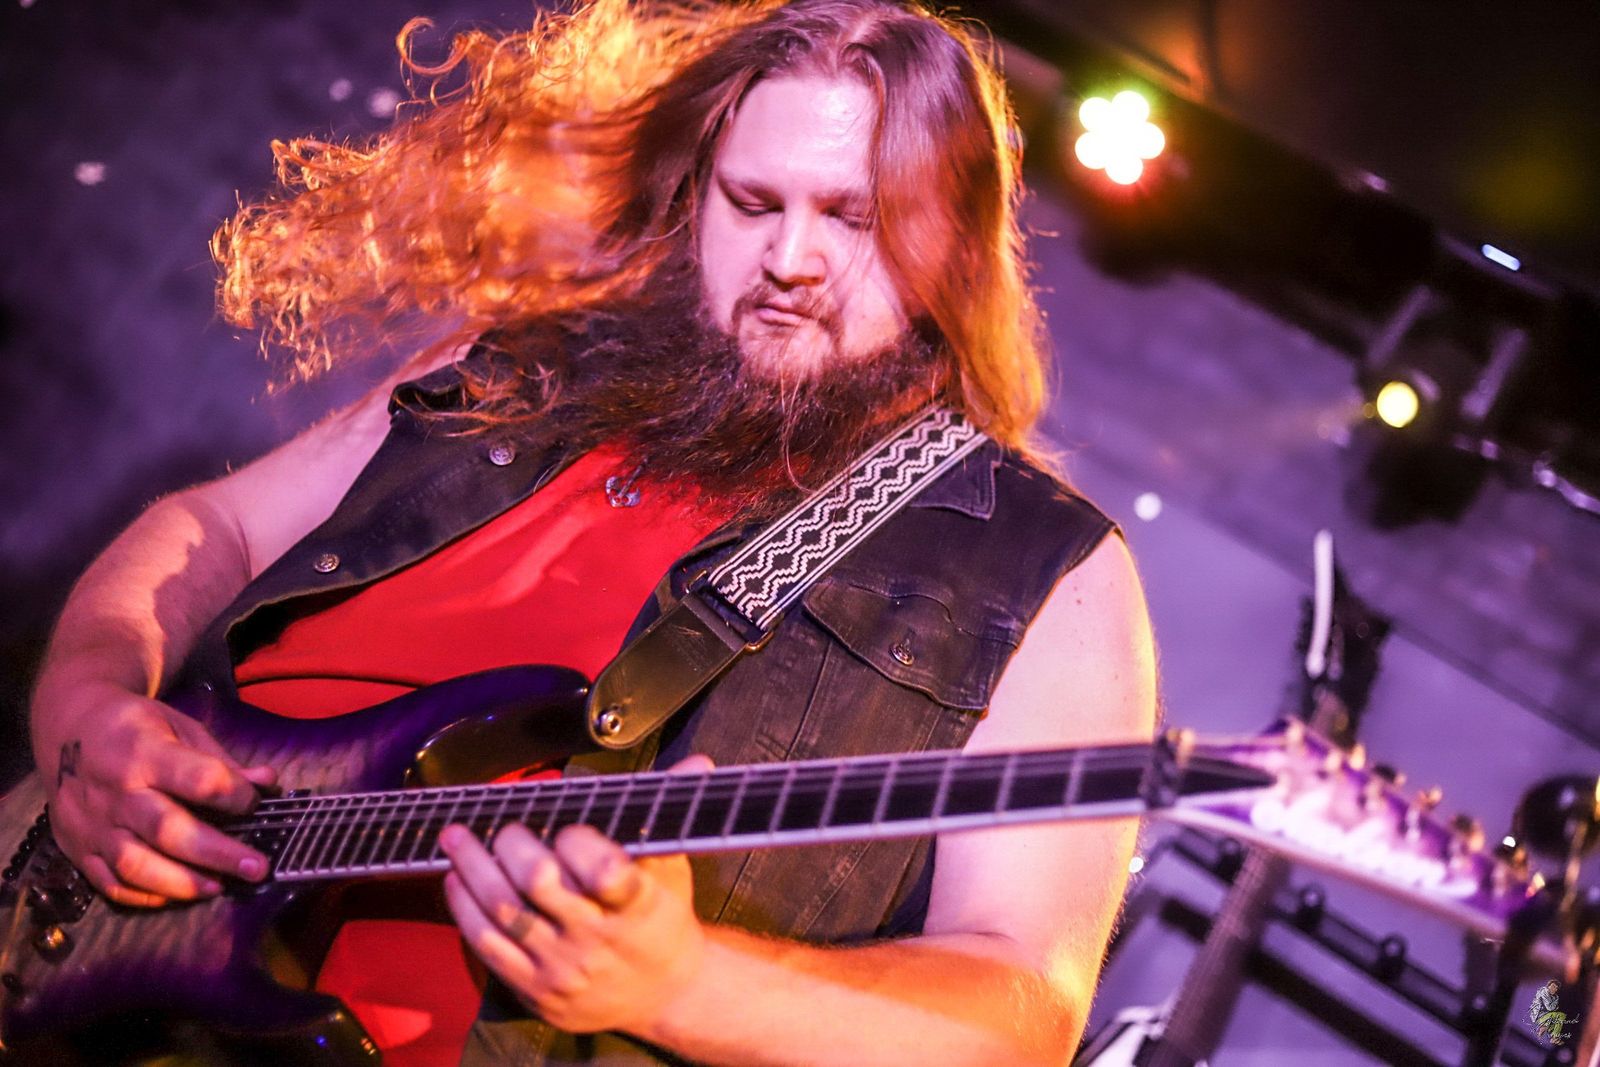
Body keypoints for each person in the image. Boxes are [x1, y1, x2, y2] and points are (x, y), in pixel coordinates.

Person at [27, 0, 1157, 1063]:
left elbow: (1026, 1009)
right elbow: (213, 523)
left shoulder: (1047, 570)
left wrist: (683, 983)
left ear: (956, 240)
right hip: (83, 951)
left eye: (852, 218)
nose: (789, 260)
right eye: (751, 203)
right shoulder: (526, 363)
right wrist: (84, 705)